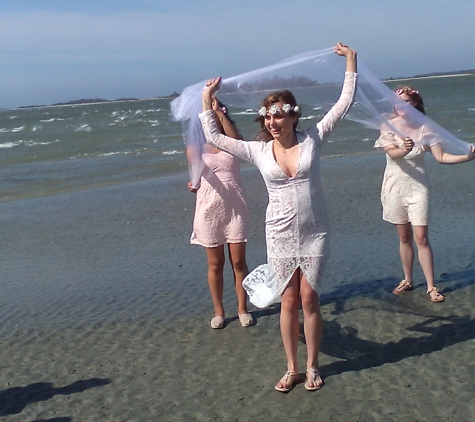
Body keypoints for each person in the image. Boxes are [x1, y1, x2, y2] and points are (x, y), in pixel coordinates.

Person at [198, 43, 357, 392]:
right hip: (279, 233)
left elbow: (343, 104)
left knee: (309, 299)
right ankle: (291, 368)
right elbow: (213, 136)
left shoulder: (313, 139)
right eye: (267, 117)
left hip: (316, 230)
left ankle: (313, 367)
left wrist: (351, 61)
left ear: (293, 116)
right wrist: (207, 99)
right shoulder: (258, 151)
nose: (271, 122)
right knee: (287, 299)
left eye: (278, 116)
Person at [374, 86, 475, 302]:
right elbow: (392, 152)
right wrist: (405, 149)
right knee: (403, 237)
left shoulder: (425, 127)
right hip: (394, 187)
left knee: (422, 237)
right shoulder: (387, 125)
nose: (401, 106)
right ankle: (408, 279)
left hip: (418, 188)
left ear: (415, 104)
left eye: (406, 102)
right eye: (398, 102)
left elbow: (442, 157)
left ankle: (431, 286)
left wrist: (466, 158)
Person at [188, 96, 253, 329]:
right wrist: (193, 183)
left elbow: (239, 142)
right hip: (208, 207)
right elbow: (195, 173)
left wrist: (220, 113)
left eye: (216, 110)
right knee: (215, 263)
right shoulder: (195, 145)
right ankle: (219, 312)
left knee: (238, 261)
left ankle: (243, 308)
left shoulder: (229, 140)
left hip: (235, 204)